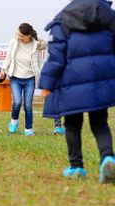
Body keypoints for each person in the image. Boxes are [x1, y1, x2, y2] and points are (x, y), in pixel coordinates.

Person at [39, 0, 115, 183]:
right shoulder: (108, 16)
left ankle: (76, 167)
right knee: (100, 123)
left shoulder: (63, 20)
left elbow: (56, 57)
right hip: (101, 80)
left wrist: (47, 84)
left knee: (73, 125)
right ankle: (108, 158)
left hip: (71, 82)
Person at [0, 23, 47, 136]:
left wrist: (36, 39)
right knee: (17, 102)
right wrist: (3, 70)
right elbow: (8, 57)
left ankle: (28, 129)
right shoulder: (14, 42)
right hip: (15, 77)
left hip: (29, 78)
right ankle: (14, 121)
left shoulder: (36, 45)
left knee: (28, 104)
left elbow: (45, 45)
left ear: (28, 35)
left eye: (22, 36)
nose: (19, 37)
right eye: (18, 34)